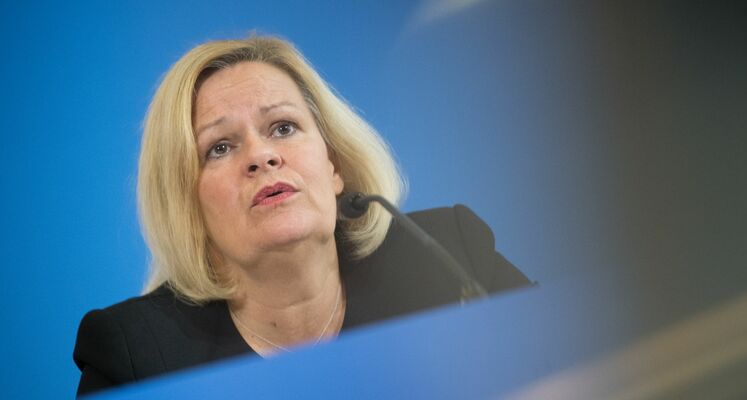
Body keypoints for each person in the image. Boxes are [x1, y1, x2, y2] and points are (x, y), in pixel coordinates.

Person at [73, 36, 531, 396]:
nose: (262, 155)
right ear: (188, 206)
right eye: (220, 147)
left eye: (283, 127)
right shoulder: (137, 360)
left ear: (334, 165)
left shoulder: (451, 259)